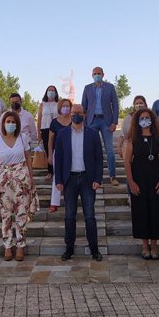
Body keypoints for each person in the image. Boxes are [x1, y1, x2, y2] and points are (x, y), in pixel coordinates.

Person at [55, 104, 104, 261]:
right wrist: (58, 180)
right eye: (74, 112)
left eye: (80, 112)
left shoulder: (93, 133)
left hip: (87, 180)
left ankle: (94, 249)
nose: (77, 115)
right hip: (69, 180)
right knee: (70, 216)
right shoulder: (62, 134)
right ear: (70, 114)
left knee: (90, 216)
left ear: (84, 114)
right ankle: (69, 248)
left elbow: (98, 158)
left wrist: (97, 178)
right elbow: (59, 159)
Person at [124, 108, 159, 260]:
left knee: (156, 211)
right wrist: (131, 182)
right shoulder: (133, 138)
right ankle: (145, 245)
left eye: (147, 117)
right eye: (142, 118)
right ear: (137, 121)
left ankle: (155, 245)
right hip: (139, 179)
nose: (145, 120)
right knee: (141, 211)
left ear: (152, 120)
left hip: (155, 178)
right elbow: (127, 161)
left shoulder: (158, 137)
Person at [0, 111, 37, 261]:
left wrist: (31, 178)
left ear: (17, 124)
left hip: (21, 179)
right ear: (3, 123)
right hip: (4, 181)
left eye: (13, 122)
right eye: (8, 121)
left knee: (21, 213)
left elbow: (29, 159)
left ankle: (20, 245)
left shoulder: (23, 138)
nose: (10, 124)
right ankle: (7, 246)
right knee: (6, 215)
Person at [81, 66, 120, 186]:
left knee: (109, 150)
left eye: (99, 73)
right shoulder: (87, 88)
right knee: (91, 149)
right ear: (92, 75)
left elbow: (116, 105)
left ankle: (112, 176)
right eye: (94, 73)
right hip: (92, 121)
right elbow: (84, 107)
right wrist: (84, 123)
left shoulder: (110, 87)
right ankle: (93, 177)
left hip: (106, 122)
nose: (96, 75)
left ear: (103, 74)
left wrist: (114, 122)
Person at [47, 98, 72, 213]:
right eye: (64, 106)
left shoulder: (74, 120)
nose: (66, 108)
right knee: (57, 177)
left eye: (68, 106)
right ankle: (54, 203)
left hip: (73, 152)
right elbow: (50, 139)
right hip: (59, 152)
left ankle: (70, 201)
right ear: (60, 107)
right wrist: (50, 155)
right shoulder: (54, 122)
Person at [37, 85, 59, 179]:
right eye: (49, 90)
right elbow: (39, 119)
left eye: (53, 90)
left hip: (57, 129)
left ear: (56, 92)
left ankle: (58, 170)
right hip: (45, 128)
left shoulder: (58, 104)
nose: (51, 92)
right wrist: (38, 133)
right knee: (48, 149)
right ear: (46, 92)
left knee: (57, 149)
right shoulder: (42, 104)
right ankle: (50, 171)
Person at [118, 96, 148, 163]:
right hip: (132, 145)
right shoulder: (129, 117)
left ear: (145, 104)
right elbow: (123, 134)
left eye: (141, 103)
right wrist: (119, 146)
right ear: (134, 105)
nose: (139, 105)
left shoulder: (149, 116)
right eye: (136, 103)